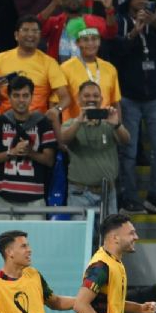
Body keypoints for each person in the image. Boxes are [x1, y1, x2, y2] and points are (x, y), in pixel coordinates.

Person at [112, 0, 156, 215]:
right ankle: (129, 197)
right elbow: (114, 52)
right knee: (128, 151)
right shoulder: (120, 21)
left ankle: (155, 196)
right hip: (129, 96)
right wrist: (133, 33)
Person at [0, 75, 57, 220]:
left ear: (31, 97)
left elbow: (49, 160)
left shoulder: (44, 124)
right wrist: (12, 152)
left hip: (34, 199)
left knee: (35, 241)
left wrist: (30, 153)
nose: (21, 100)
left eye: (25, 95)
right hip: (0, 199)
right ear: (9, 97)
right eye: (16, 95)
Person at [0, 15, 71, 132]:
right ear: (16, 35)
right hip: (6, 121)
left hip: (37, 123)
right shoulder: (0, 59)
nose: (31, 34)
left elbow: (65, 98)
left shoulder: (49, 62)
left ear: (40, 35)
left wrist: (57, 109)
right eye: (26, 30)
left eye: (35, 31)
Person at [60, 80, 127, 219]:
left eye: (96, 96)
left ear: (101, 99)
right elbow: (63, 140)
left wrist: (117, 124)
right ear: (78, 99)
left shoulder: (110, 123)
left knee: (109, 239)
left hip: (107, 193)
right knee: (80, 238)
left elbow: (126, 140)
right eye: (87, 95)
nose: (91, 99)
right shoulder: (71, 124)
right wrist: (79, 122)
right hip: (79, 194)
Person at [59, 23, 121, 122]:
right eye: (85, 40)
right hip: (75, 129)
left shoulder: (110, 68)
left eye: (94, 39)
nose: (90, 43)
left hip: (105, 127)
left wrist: (118, 128)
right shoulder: (65, 68)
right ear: (77, 43)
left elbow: (115, 103)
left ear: (99, 42)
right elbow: (56, 102)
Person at [35, 0, 116, 62]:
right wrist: (53, 3)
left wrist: (109, 9)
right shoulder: (54, 22)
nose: (74, 0)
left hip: (86, 75)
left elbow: (110, 33)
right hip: (57, 74)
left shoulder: (95, 21)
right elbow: (35, 27)